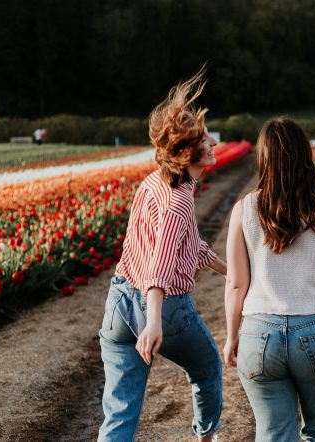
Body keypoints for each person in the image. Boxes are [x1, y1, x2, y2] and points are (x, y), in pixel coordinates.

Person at [97, 72, 227, 442]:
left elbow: (184, 246)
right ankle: (206, 437)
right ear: (189, 153)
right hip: (161, 307)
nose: (214, 141)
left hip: (119, 301)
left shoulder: (155, 182)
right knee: (207, 368)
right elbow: (159, 266)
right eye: (206, 139)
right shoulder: (179, 201)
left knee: (120, 412)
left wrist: (226, 270)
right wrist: (153, 322)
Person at [222, 117, 315, 441]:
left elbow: (235, 283)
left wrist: (233, 337)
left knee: (274, 432)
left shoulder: (245, 209)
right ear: (305, 157)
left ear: (263, 159)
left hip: (260, 335)